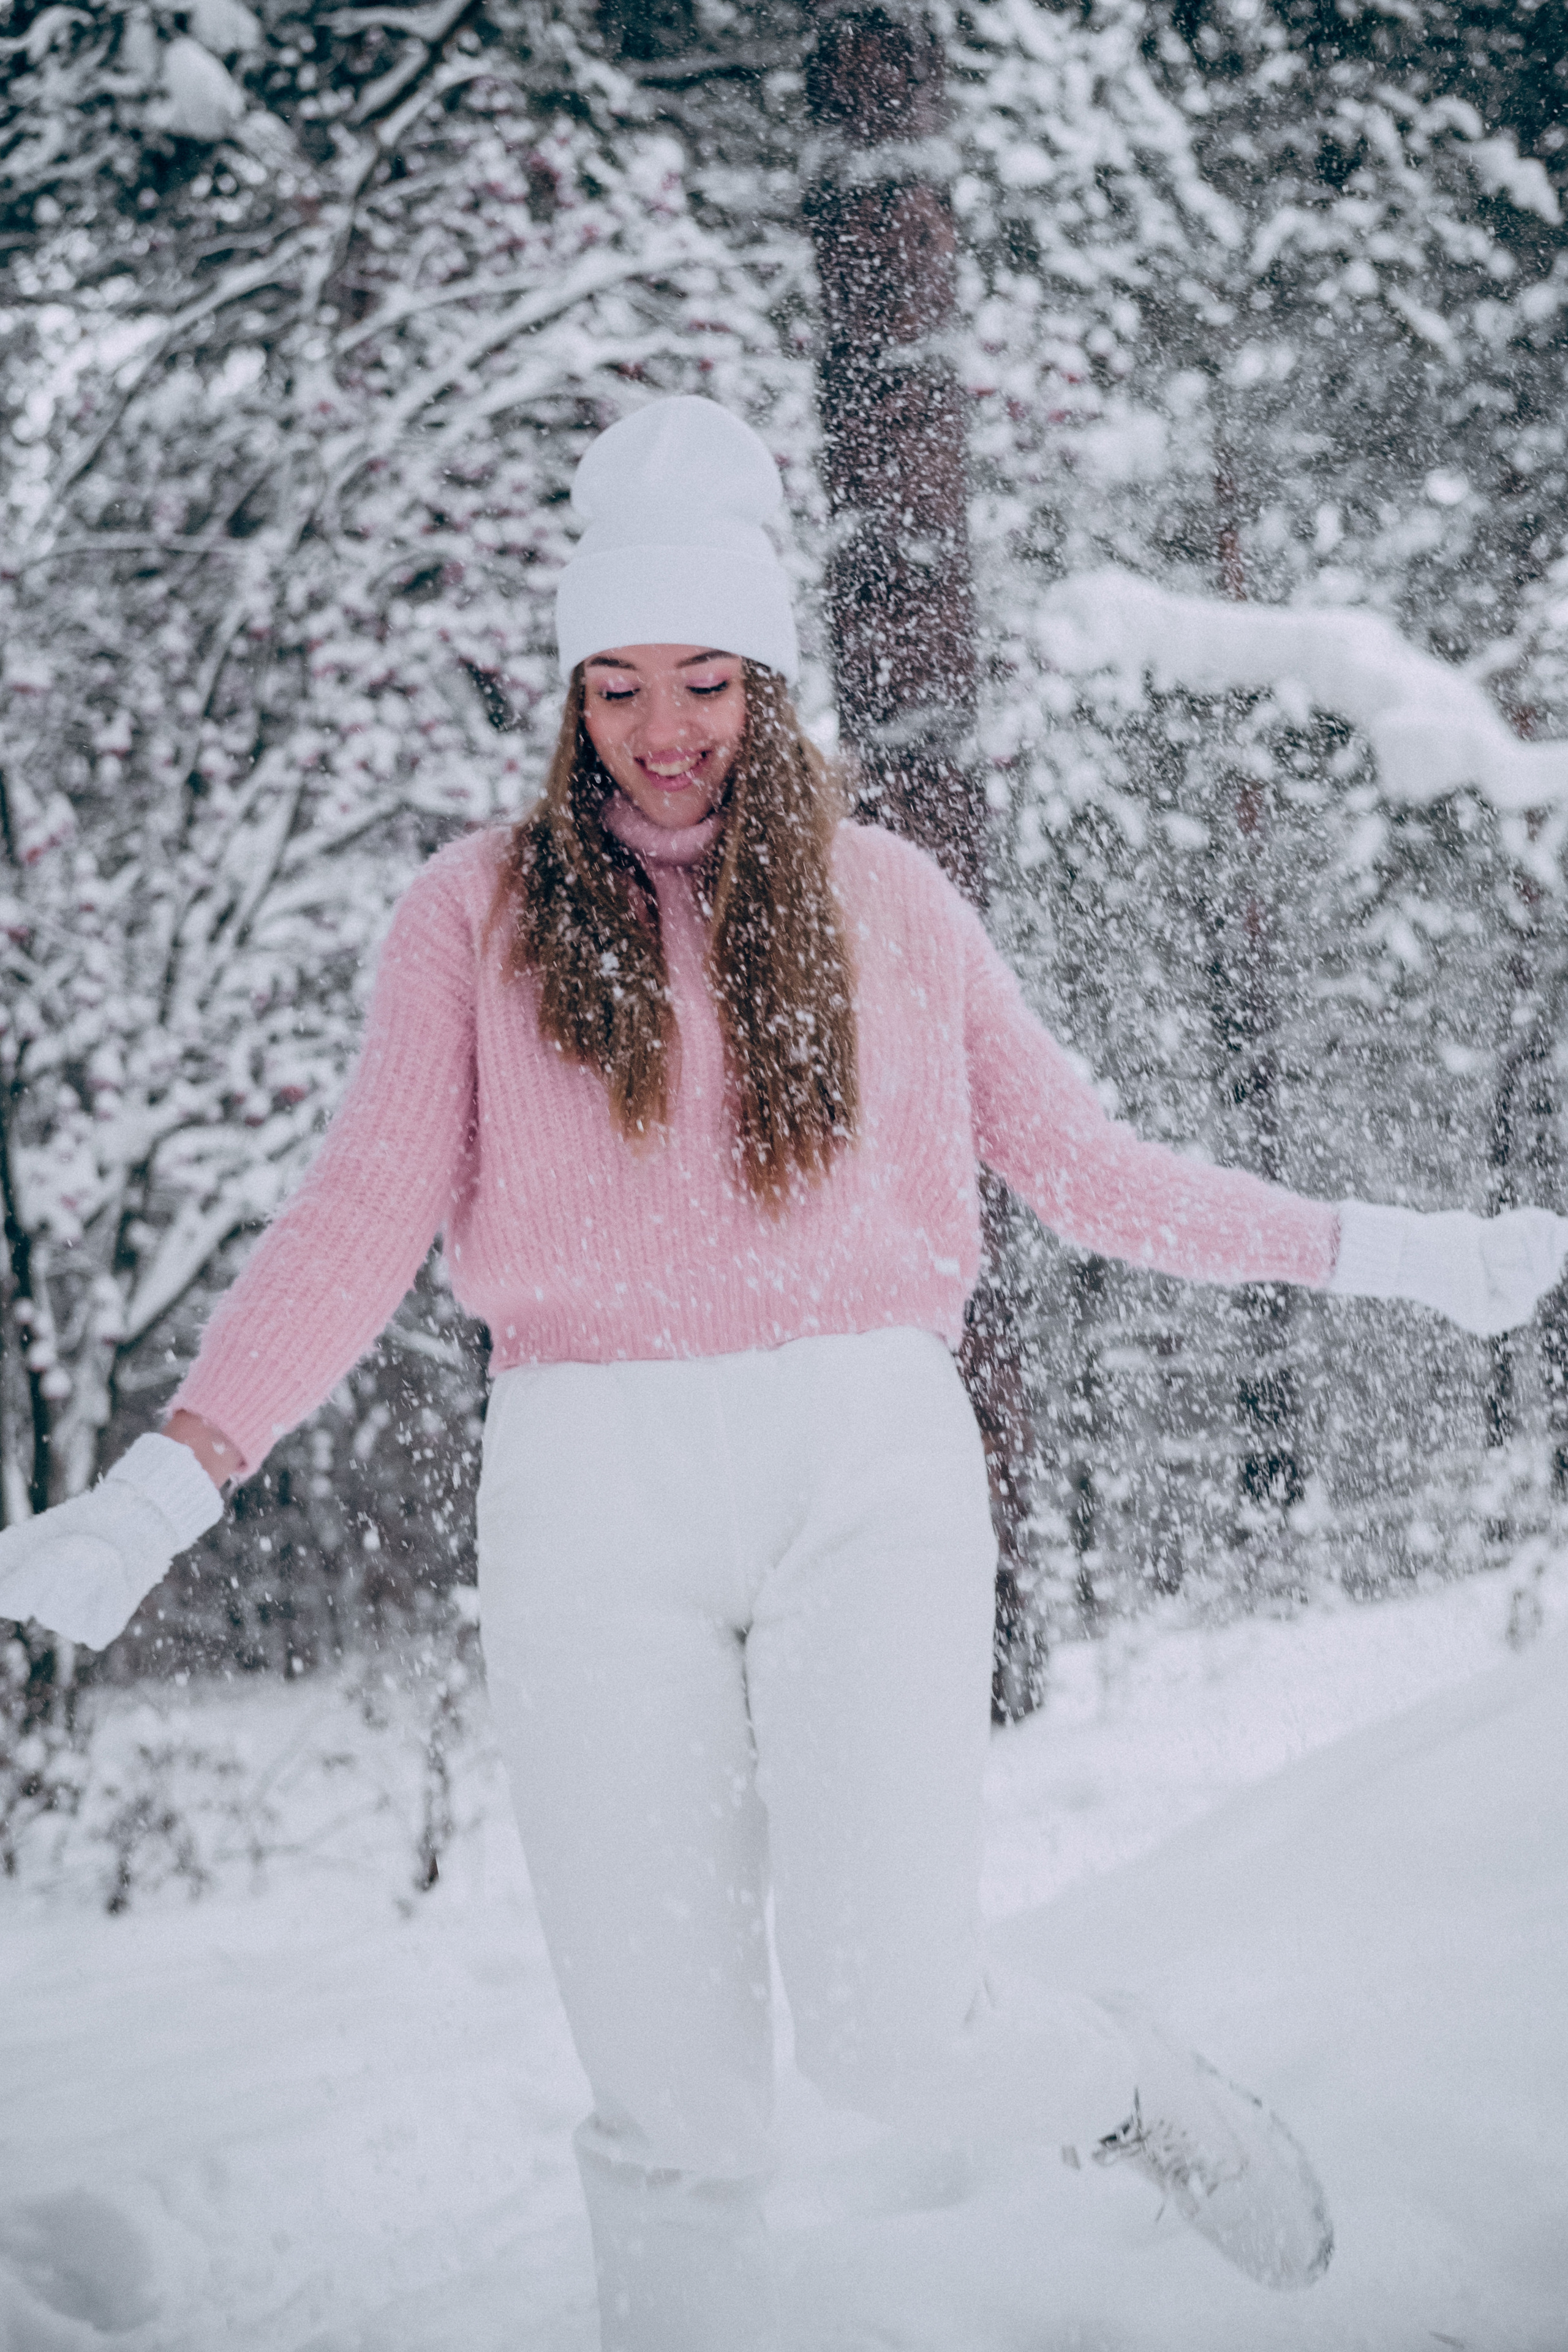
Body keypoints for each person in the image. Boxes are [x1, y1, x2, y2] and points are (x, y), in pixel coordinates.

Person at [2, 396, 1564, 2350]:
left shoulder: (887, 903)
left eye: (710, 679)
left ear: (770, 680)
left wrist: (1396, 1251)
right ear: (571, 693)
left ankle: (1128, 2087)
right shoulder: (470, 918)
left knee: (895, 2028)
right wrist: (170, 1480)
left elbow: (1093, 1174)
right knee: (672, 2102)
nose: (667, 729)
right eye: (624, 683)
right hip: (586, 1500)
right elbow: (356, 1218)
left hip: (865, 1476)